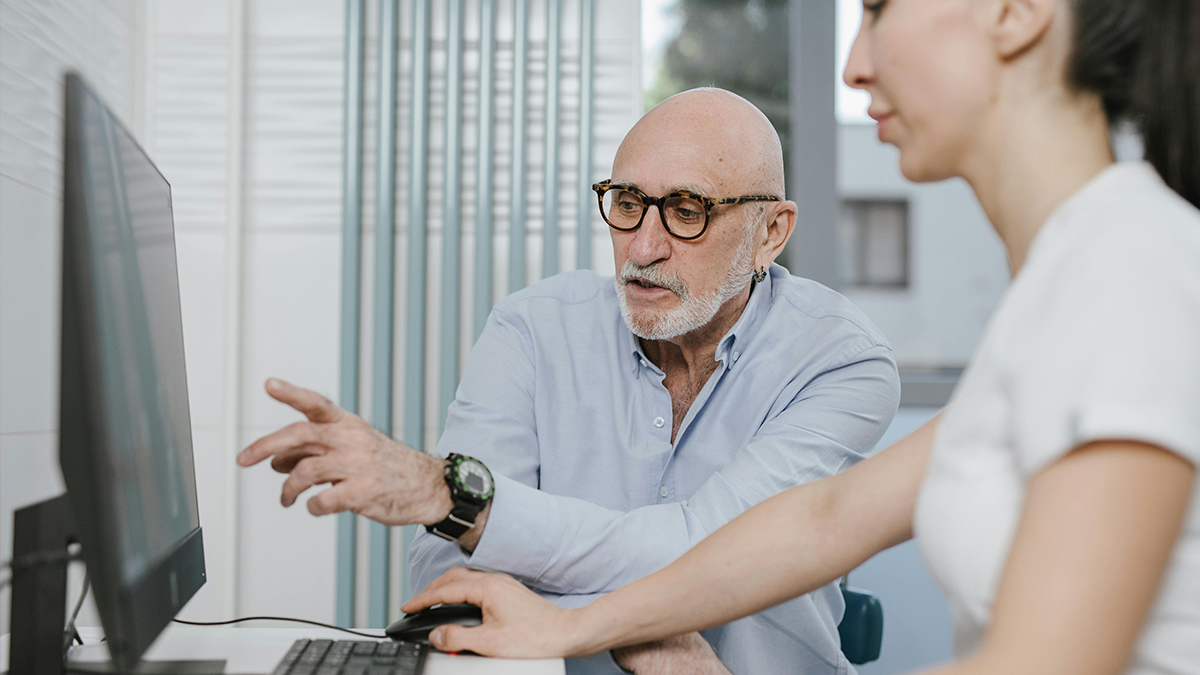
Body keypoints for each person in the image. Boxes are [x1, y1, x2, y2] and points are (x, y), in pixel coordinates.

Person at [402, 0, 1200, 673]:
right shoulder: (1065, 284)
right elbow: (823, 520)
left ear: (1017, 11)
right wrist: (576, 628)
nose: (853, 65)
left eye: (880, 7)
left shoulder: (1129, 265)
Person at [238, 89, 901, 674]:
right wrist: (648, 633)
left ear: (770, 233)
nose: (642, 247)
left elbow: (709, 553)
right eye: (628, 201)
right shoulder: (531, 328)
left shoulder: (840, 362)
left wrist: (457, 497)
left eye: (688, 210)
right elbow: (447, 570)